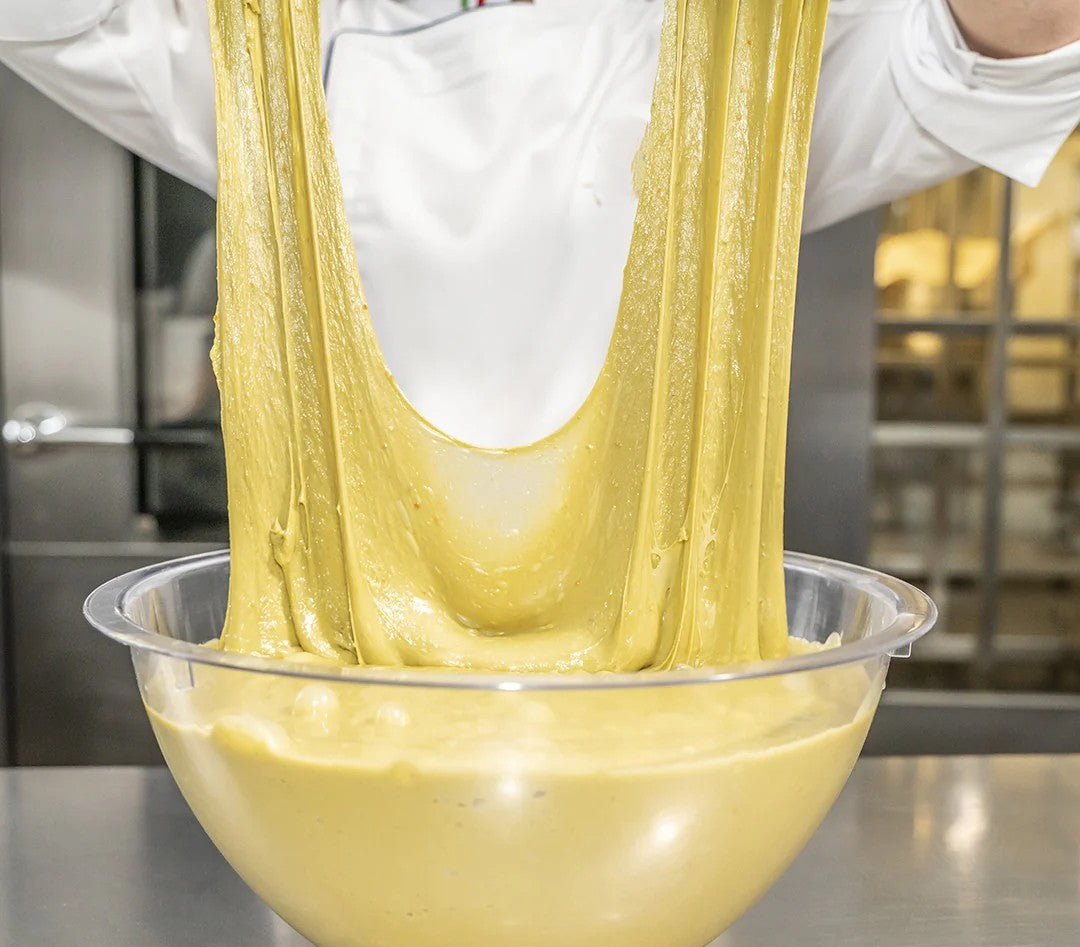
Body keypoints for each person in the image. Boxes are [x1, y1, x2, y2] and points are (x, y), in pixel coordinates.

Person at [2, 0, 1080, 446]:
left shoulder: (760, 40)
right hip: (341, 643)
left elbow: (991, 59)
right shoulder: (272, 38)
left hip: (666, 642)